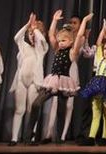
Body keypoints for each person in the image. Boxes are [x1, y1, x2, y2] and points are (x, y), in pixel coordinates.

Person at [26, 10, 89, 145]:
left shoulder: (72, 52)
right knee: (36, 103)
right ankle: (29, 134)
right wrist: (54, 20)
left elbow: (79, 37)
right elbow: (51, 35)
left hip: (64, 82)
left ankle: (59, 138)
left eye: (63, 40)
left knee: (61, 110)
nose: (60, 43)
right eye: (59, 40)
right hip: (53, 80)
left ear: (70, 41)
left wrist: (84, 21)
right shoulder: (57, 49)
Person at [78, 19, 106, 146]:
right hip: (96, 86)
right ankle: (91, 137)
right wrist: (102, 31)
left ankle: (104, 137)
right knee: (96, 113)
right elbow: (98, 44)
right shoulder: (99, 58)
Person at [8, 13, 48, 146]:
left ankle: (31, 138)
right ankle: (14, 138)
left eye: (35, 33)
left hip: (34, 82)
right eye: (30, 34)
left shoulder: (41, 49)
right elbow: (16, 37)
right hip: (21, 80)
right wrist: (27, 25)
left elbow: (42, 40)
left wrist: (36, 29)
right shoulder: (23, 46)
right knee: (19, 109)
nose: (32, 36)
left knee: (32, 109)